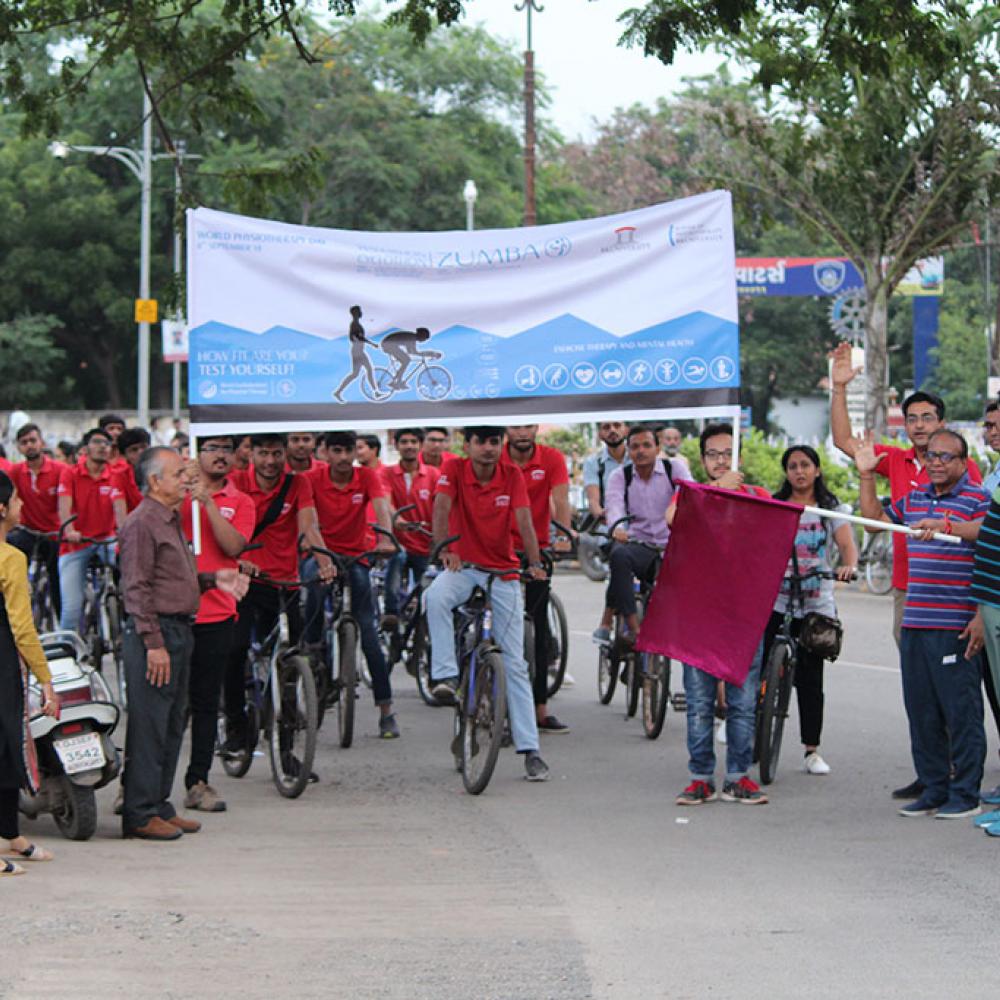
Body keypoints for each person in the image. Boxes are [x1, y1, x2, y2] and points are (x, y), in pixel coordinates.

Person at [830, 341, 982, 799]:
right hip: (907, 593)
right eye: (912, 419)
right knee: (921, 693)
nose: (919, 427)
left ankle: (961, 778)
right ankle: (932, 775)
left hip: (954, 597)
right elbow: (846, 444)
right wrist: (839, 388)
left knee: (956, 689)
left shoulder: (962, 468)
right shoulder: (894, 460)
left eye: (927, 419)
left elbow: (977, 530)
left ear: (943, 425)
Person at [856, 429, 989, 819]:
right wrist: (867, 474)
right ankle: (933, 788)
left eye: (945, 457)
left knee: (961, 712)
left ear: (964, 462)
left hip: (957, 624)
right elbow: (873, 523)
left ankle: (965, 793)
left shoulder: (979, 498)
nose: (935, 463)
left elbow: (988, 534)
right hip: (915, 620)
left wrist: (948, 525)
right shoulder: (913, 498)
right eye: (931, 456)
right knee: (922, 710)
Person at [119, 447, 247, 840]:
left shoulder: (170, 518)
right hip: (156, 633)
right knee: (151, 725)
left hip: (179, 629)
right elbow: (136, 587)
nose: (186, 480)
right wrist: (153, 643)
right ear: (155, 481)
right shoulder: (142, 523)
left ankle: (159, 804)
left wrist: (212, 580)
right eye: (178, 473)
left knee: (173, 723)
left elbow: (174, 575)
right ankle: (139, 812)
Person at [426, 426, 550, 781]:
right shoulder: (454, 470)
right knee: (433, 596)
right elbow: (441, 507)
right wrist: (444, 549)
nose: (488, 448)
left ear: (501, 446)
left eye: (494, 442)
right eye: (480, 441)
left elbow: (524, 520)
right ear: (467, 446)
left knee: (515, 664)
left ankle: (531, 750)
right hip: (462, 566)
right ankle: (446, 675)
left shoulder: (512, 474)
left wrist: (535, 562)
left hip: (504, 571)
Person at [671, 424, 771, 806]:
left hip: (744, 614)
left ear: (739, 457)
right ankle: (700, 777)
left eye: (727, 453)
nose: (720, 460)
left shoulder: (758, 496)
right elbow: (673, 520)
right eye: (713, 454)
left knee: (743, 702)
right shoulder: (691, 493)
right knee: (699, 702)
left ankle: (738, 776)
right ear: (702, 460)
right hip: (698, 614)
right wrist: (717, 493)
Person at [224, 434, 331, 752]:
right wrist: (238, 560)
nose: (270, 461)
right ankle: (235, 724)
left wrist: (325, 562)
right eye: (262, 453)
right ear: (250, 453)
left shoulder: (298, 484)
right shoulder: (236, 482)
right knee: (235, 650)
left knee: (295, 658)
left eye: (276, 454)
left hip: (285, 583)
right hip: (243, 583)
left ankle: (285, 744)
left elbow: (309, 526)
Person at [765, 445, 858, 776]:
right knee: (760, 669)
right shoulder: (774, 506)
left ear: (817, 470)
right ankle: (753, 736)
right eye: (792, 466)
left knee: (810, 680)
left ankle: (811, 750)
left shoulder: (832, 510)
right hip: (777, 599)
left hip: (816, 605)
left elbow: (848, 549)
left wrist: (848, 566)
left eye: (805, 465)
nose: (799, 471)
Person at [304, 431, 399, 738]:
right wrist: (321, 559)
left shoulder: (367, 476)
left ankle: (386, 710)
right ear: (325, 453)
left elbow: (383, 508)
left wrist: (385, 538)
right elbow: (308, 523)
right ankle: (314, 649)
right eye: (337, 450)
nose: (344, 457)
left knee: (368, 630)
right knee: (312, 591)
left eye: (348, 450)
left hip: (357, 555)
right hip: (320, 553)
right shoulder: (311, 480)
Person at [180, 437, 255, 812]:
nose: (220, 454)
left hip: (217, 613)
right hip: (174, 612)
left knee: (206, 703)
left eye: (227, 447)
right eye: (211, 446)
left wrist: (207, 503)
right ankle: (138, 783)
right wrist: (183, 492)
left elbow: (233, 548)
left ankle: (198, 780)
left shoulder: (241, 502)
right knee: (166, 706)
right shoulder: (176, 492)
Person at [0, 472, 59, 875]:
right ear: (1, 509)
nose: (22, 506)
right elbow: (23, 626)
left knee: (6, 748)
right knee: (3, 743)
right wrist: (46, 679)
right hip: (2, 661)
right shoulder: (11, 558)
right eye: (17, 500)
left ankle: (11, 834)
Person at [592, 425, 693, 645]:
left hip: (672, 547)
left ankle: (608, 620)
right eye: (635, 446)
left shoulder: (673, 468)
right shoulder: (621, 476)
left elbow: (690, 492)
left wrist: (677, 507)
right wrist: (617, 527)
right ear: (628, 451)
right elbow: (614, 504)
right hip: (639, 544)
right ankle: (633, 627)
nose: (641, 451)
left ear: (658, 448)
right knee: (619, 557)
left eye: (647, 445)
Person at [503, 425, 573, 733]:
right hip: (497, 549)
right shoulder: (494, 456)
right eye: (516, 425)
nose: (522, 431)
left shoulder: (552, 458)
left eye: (528, 426)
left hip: (538, 548)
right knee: (494, 624)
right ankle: (488, 697)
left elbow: (560, 501)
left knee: (539, 624)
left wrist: (563, 536)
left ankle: (540, 708)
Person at [56, 427, 117, 633]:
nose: (102, 447)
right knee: (71, 610)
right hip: (75, 544)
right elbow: (64, 505)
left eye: (107, 444)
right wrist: (69, 531)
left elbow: (122, 507)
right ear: (85, 449)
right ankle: (69, 654)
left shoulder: (116, 474)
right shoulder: (70, 473)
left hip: (107, 541)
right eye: (97, 442)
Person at [381, 428, 439, 626]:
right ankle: (390, 613)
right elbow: (385, 502)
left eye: (414, 442)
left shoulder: (433, 475)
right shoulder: (386, 473)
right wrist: (396, 520)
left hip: (425, 542)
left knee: (431, 589)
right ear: (396, 445)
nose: (409, 446)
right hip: (398, 542)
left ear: (421, 446)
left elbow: (442, 505)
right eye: (404, 442)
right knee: (396, 558)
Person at [8, 423, 65, 620]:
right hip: (27, 531)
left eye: (33, 440)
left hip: (54, 533)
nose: (29, 445)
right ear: (18, 447)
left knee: (58, 579)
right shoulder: (15, 472)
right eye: (24, 442)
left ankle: (63, 625)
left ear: (41, 442)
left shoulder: (60, 470)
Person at [582, 421, 629, 523]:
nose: (612, 430)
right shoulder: (593, 462)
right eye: (606, 427)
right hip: (609, 526)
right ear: (600, 435)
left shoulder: (637, 458)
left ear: (626, 430)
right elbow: (593, 501)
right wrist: (600, 514)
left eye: (617, 425)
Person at [333, 305, 379, 402]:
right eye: (359, 311)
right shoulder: (354, 324)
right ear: (356, 313)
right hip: (357, 351)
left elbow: (357, 337)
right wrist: (372, 344)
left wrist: (370, 343)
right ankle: (375, 392)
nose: (361, 313)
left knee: (359, 373)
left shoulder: (356, 324)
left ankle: (375, 391)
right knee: (365, 371)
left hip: (359, 350)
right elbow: (357, 337)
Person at [111, 427, 151, 529]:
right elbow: (120, 512)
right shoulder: (119, 476)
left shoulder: (165, 471)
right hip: (134, 531)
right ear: (124, 455)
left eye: (144, 447)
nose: (140, 452)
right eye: (134, 450)